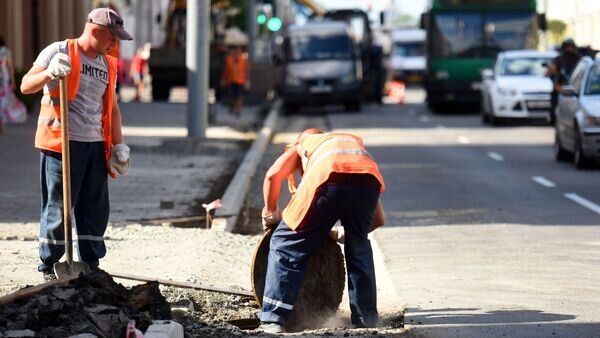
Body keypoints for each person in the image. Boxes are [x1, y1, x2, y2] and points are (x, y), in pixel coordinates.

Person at [20, 8, 133, 281]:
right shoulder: (58, 51)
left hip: (94, 145)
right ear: (95, 31)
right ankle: (49, 265)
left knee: (94, 206)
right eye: (111, 38)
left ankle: (91, 264)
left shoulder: (109, 64)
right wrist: (49, 73)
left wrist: (119, 145)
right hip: (61, 145)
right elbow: (25, 86)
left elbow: (113, 108)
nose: (114, 44)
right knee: (58, 206)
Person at [257, 128, 386, 334]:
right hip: (368, 182)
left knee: (284, 243)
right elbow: (378, 219)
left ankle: (273, 319)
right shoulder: (349, 149)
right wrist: (342, 233)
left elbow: (273, 176)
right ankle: (366, 320)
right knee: (359, 248)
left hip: (327, 179)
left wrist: (270, 213)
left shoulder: (305, 143)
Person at [547, 38, 581, 124]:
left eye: (571, 47)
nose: (569, 49)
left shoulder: (579, 59)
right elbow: (550, 71)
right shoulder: (558, 59)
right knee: (555, 102)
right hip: (561, 86)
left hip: (576, 87)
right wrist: (552, 70)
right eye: (567, 47)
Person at [221, 45, 249, 116]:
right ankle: (231, 109)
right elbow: (225, 71)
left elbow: (246, 71)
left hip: (240, 81)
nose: (236, 53)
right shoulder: (229, 59)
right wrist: (223, 79)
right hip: (230, 80)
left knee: (239, 96)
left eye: (238, 51)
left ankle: (238, 110)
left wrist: (247, 81)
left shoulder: (243, 60)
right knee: (230, 96)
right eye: (235, 51)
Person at [0, 35, 17, 133]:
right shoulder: (6, 51)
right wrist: (13, 82)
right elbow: (10, 68)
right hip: (4, 80)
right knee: (3, 102)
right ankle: (2, 125)